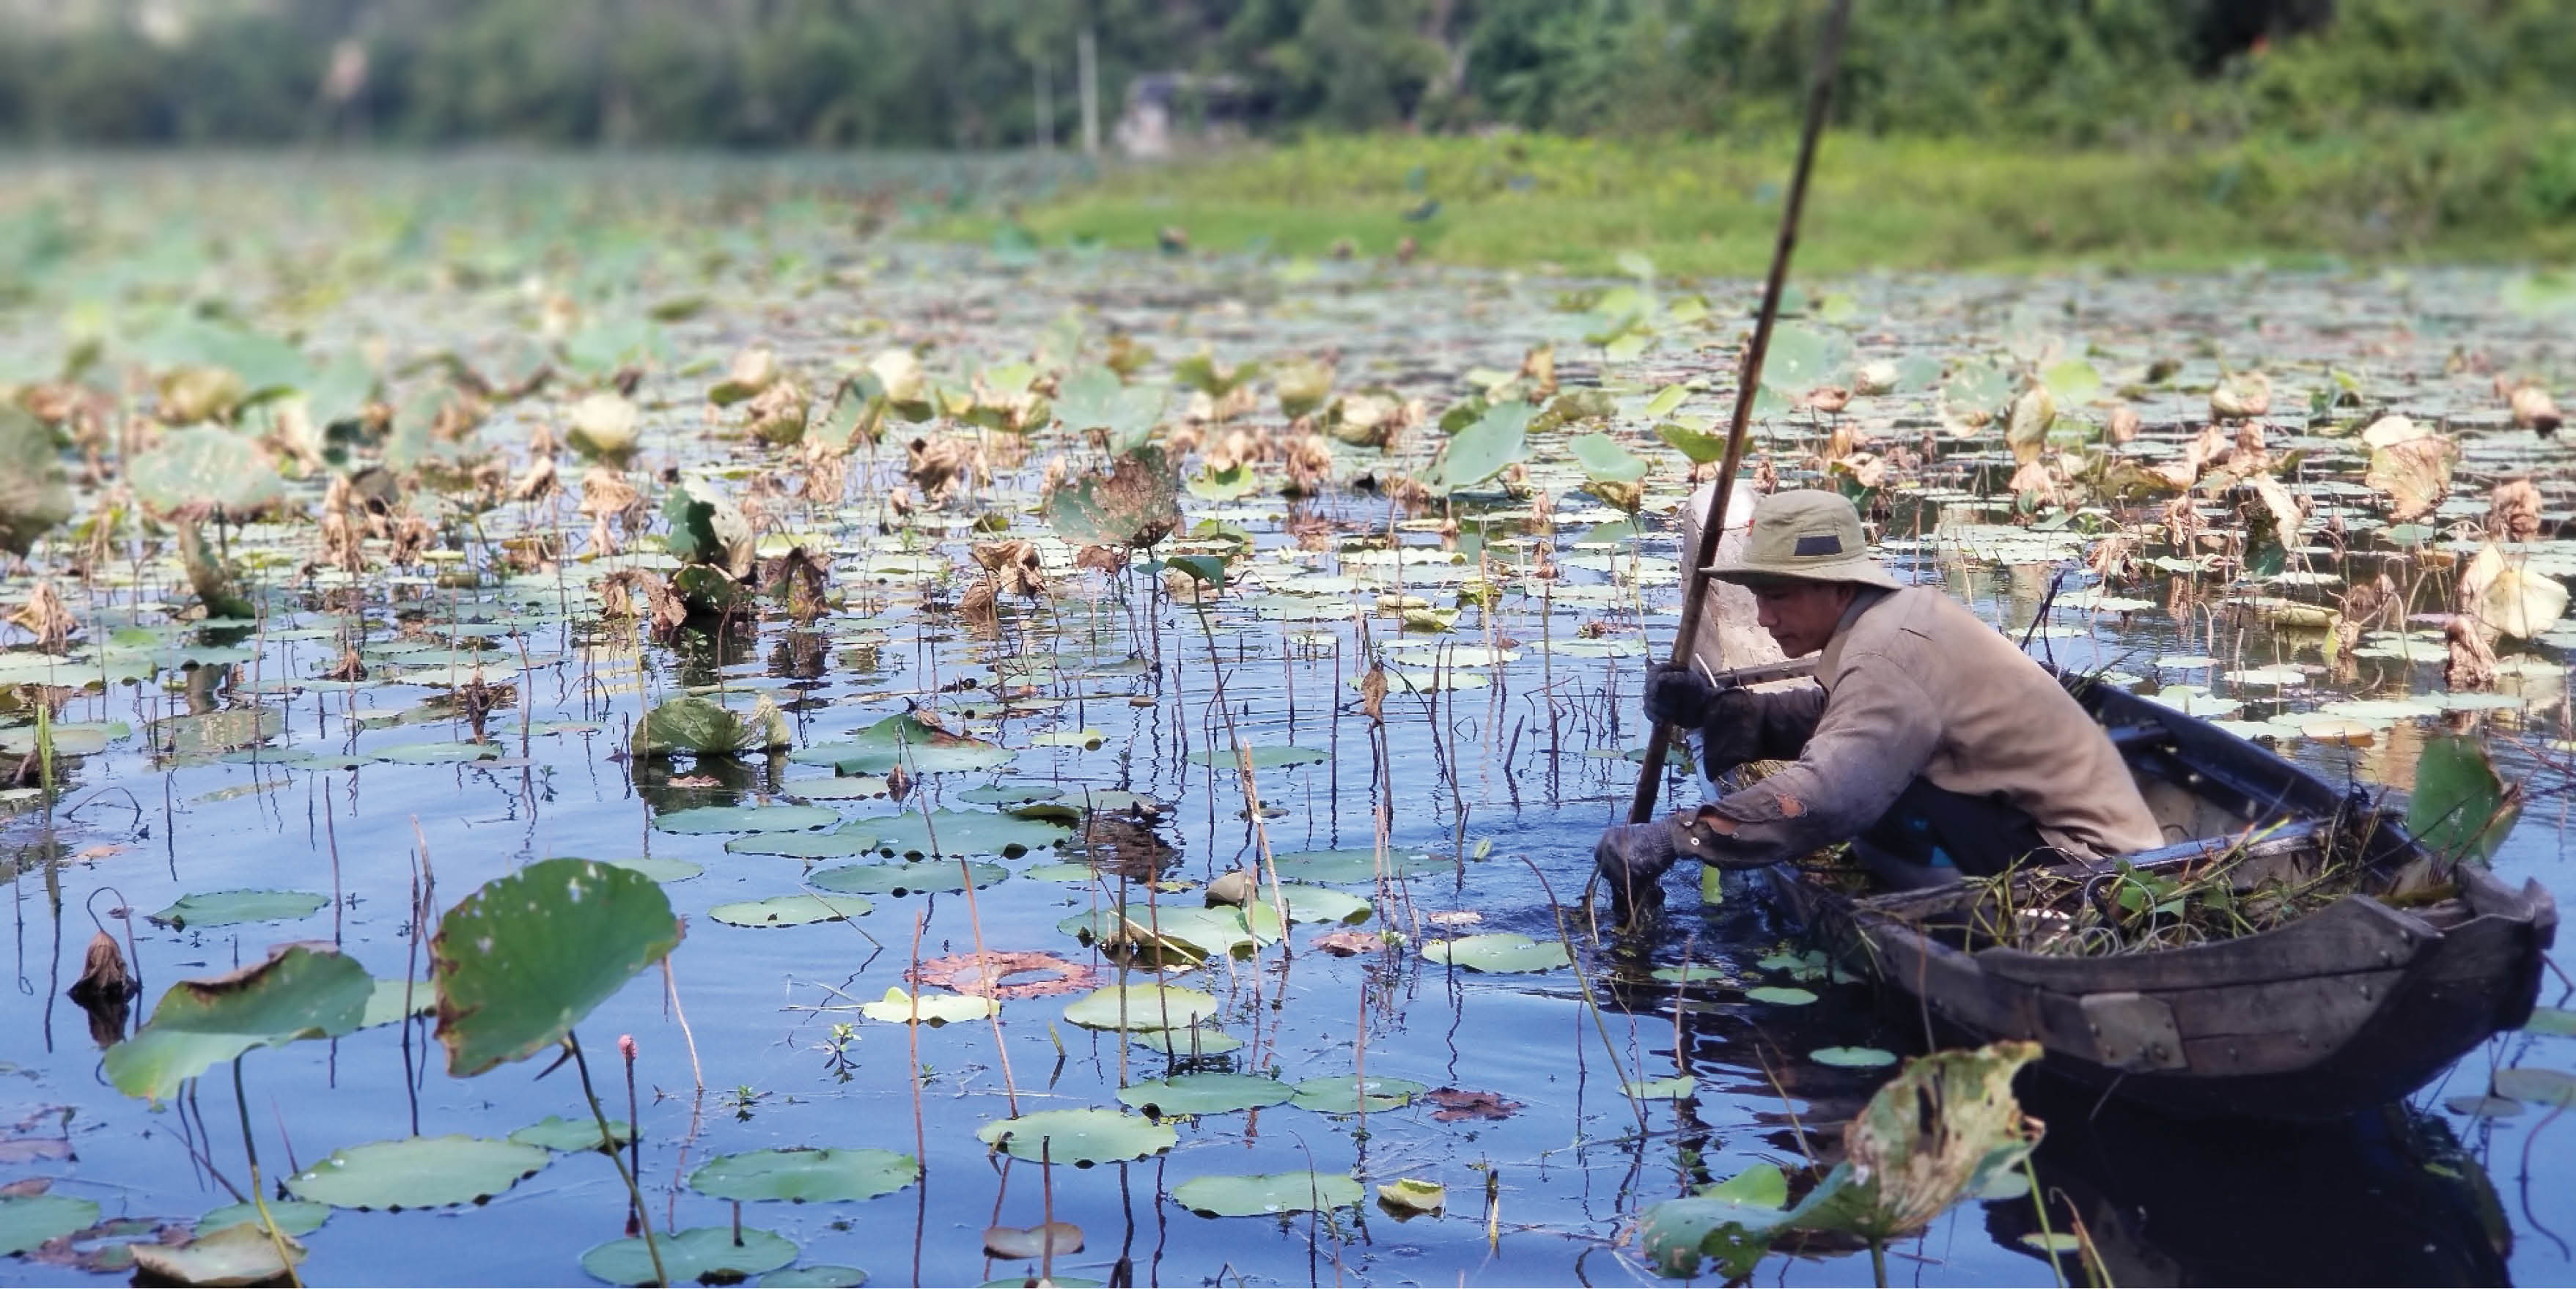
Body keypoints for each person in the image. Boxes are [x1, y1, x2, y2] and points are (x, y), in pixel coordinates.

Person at [1595, 490, 2165, 919]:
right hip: (2066, 842)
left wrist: (1676, 836)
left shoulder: (1886, 653)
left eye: (1779, 598)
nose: (1766, 619)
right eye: (1759, 601)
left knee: (1870, 794)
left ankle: (1954, 915)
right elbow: (1839, 716)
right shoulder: (1897, 618)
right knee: (1876, 767)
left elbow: (1825, 798)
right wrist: (1718, 712)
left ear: (1839, 588)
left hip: (2083, 874)